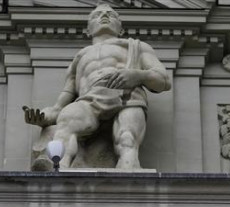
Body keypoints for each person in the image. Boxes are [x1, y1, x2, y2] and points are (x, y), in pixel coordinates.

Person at [23, 3, 171, 170]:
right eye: (97, 15)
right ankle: (59, 168)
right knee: (66, 119)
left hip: (128, 98)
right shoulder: (79, 59)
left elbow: (163, 81)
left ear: (121, 29)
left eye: (111, 14)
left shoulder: (135, 46)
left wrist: (136, 75)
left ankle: (128, 174)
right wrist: (42, 117)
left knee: (127, 137)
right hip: (89, 101)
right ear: (88, 30)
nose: (104, 16)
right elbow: (59, 106)